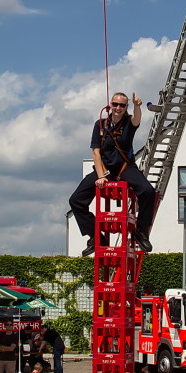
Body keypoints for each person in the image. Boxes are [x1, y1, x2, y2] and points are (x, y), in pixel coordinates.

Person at [69, 92, 155, 255]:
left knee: (147, 191)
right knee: (76, 200)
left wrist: (137, 107)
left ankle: (141, 231)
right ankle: (96, 236)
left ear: (126, 107)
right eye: (115, 104)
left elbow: (136, 120)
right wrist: (101, 176)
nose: (118, 108)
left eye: (122, 105)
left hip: (125, 167)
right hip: (104, 169)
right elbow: (96, 152)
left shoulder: (128, 123)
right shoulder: (100, 125)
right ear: (110, 105)